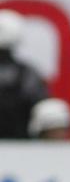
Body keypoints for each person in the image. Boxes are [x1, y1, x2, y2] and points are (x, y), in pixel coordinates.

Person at [0, 9, 49, 140]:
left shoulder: (28, 74)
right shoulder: (28, 73)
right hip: (22, 146)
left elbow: (42, 110)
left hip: (21, 144)